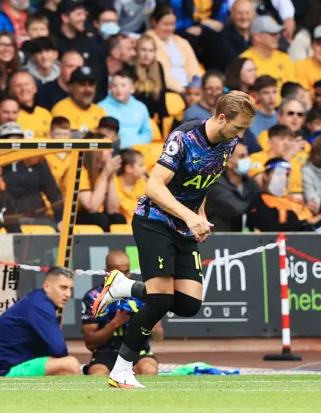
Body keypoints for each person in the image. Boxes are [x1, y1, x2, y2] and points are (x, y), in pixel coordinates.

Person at [92, 91, 258, 389]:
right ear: (222, 118)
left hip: (185, 225)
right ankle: (121, 370)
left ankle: (124, 286)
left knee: (188, 304)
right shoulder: (183, 139)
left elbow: (204, 180)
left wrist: (200, 217)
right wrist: (189, 216)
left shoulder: (228, 142)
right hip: (154, 220)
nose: (241, 134)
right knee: (160, 299)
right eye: (238, 127)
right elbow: (154, 186)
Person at [0, 266, 81, 377]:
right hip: (1, 373)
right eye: (63, 287)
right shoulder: (40, 306)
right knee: (69, 365)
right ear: (46, 286)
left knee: (59, 365)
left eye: (70, 289)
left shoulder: (37, 300)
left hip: (12, 365)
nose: (68, 294)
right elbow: (59, 350)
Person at [81, 251, 161, 376]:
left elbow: (159, 337)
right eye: (119, 273)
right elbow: (90, 344)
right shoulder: (94, 298)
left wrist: (150, 321)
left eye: (127, 272)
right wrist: (116, 322)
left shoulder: (143, 293)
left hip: (138, 352)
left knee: (148, 369)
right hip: (105, 353)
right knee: (97, 374)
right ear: (107, 272)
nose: (124, 277)